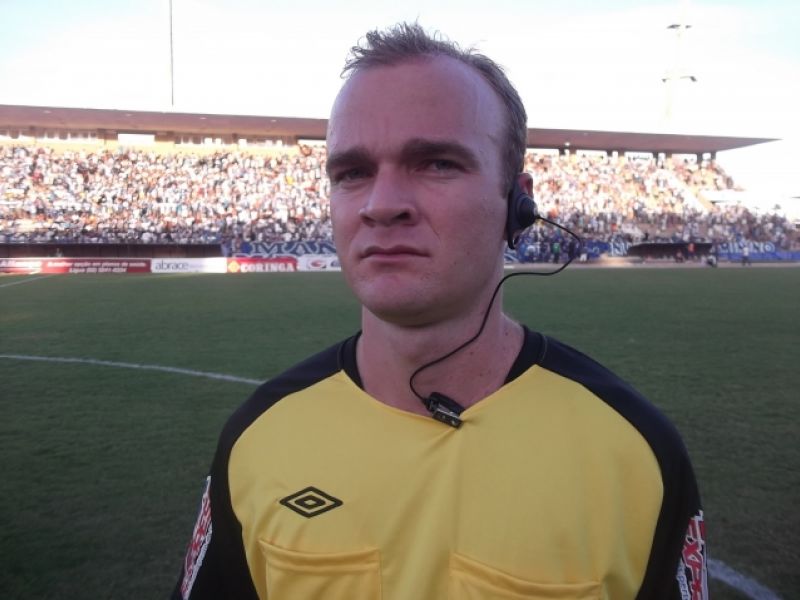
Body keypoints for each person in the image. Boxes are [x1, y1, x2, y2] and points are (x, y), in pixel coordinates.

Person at [172, 23, 707, 600]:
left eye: (436, 164)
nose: (382, 205)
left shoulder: (634, 454)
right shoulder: (257, 439)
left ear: (517, 202)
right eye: (352, 173)